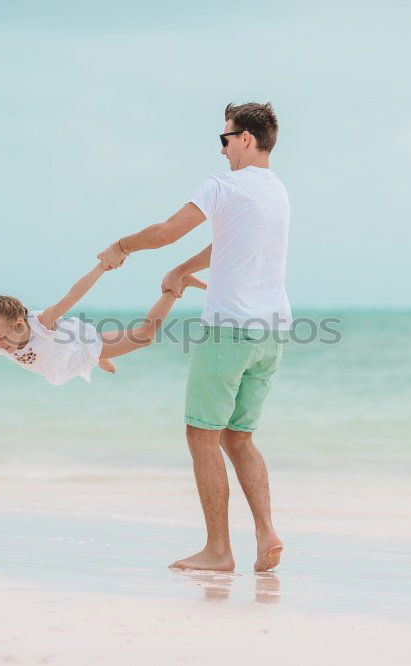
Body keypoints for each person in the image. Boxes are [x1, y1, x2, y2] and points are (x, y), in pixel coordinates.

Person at [96, 102, 291, 572]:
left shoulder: (222, 185)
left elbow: (165, 232)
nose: (222, 149)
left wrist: (122, 246)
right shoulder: (276, 190)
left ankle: (218, 551)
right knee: (239, 437)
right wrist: (185, 269)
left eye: (225, 139)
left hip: (230, 330)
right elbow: (232, 242)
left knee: (202, 435)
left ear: (246, 138)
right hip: (273, 332)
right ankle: (267, 534)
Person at [0, 262, 205, 390]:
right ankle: (100, 358)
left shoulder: (42, 323)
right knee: (98, 350)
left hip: (77, 343)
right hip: (65, 355)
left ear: (19, 324)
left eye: (2, 337)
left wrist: (102, 267)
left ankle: (175, 285)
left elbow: (74, 294)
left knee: (144, 336)